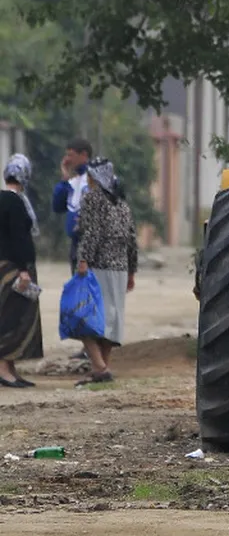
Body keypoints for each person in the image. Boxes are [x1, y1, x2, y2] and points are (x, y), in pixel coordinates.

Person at [73, 157, 137, 385]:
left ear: (95, 176)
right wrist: (131, 270)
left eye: (89, 175)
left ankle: (99, 367)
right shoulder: (121, 202)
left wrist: (83, 260)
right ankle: (103, 367)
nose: (88, 179)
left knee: (84, 317)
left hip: (98, 266)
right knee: (111, 318)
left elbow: (91, 232)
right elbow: (131, 238)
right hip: (120, 268)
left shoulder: (92, 198)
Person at [0, 154, 43, 388]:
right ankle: (4, 369)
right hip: (14, 270)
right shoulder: (16, 203)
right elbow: (20, 239)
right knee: (13, 318)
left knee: (8, 315)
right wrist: (25, 269)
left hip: (3, 268)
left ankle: (11, 369)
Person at [52, 138, 92, 276]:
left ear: (84, 155)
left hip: (91, 245)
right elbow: (57, 206)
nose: (67, 159)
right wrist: (64, 176)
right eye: (66, 155)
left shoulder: (94, 180)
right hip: (75, 246)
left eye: (71, 155)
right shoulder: (73, 182)